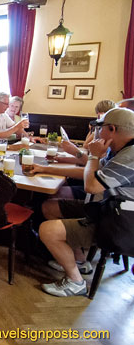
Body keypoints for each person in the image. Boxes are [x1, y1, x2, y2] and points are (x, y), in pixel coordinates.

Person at [39, 108, 134, 297]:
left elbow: (91, 185)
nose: (98, 133)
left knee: (47, 230)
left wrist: (93, 156)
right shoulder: (122, 150)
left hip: (122, 224)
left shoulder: (129, 156)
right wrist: (42, 168)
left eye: (101, 128)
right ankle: (80, 261)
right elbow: (93, 173)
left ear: (112, 129)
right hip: (109, 209)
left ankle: (76, 282)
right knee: (50, 206)